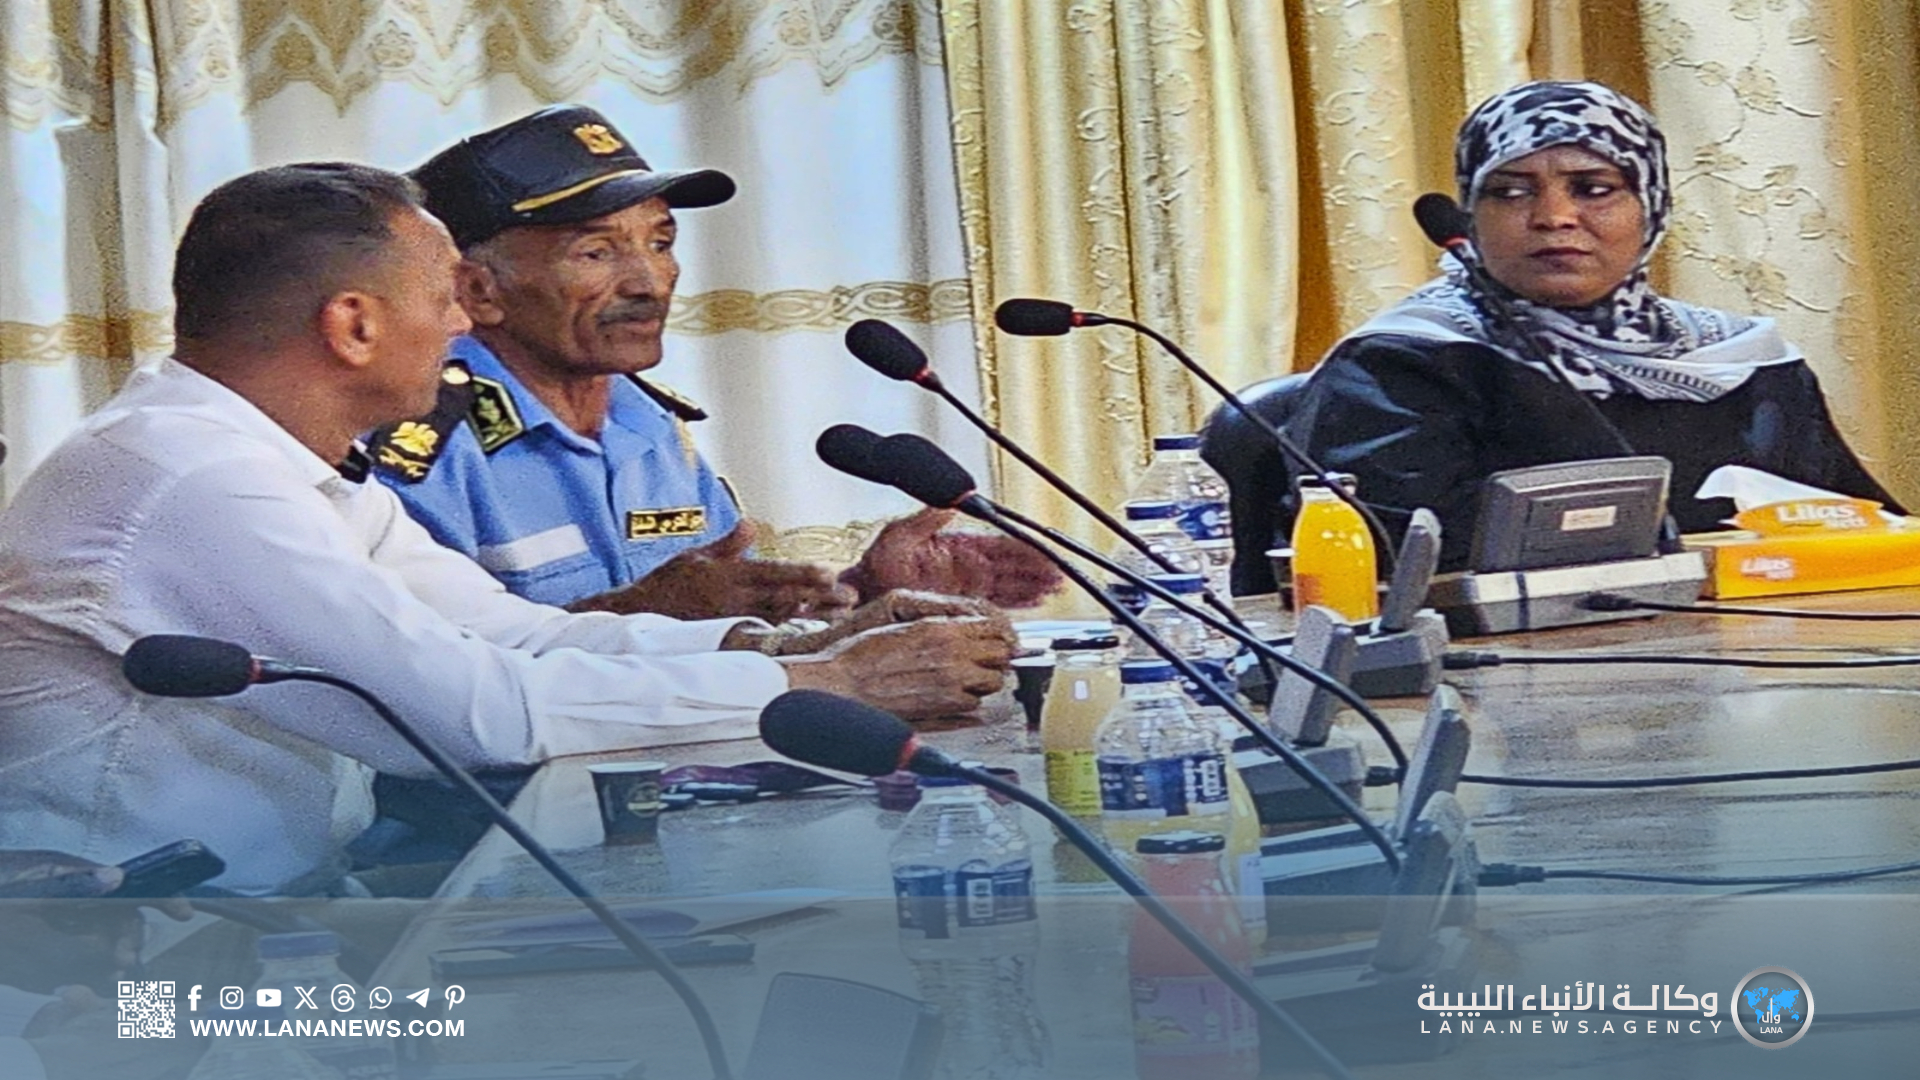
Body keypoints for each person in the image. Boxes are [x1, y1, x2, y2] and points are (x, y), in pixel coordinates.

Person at [0, 163, 1015, 894]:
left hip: (277, 907)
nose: (461, 325)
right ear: (353, 325)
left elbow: (516, 634)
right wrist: (826, 688)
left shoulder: (269, 460)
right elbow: (470, 713)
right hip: (140, 961)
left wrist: (790, 647)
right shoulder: (192, 477)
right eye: (443, 296)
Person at [366, 104, 1060, 621]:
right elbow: (423, 681)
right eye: (596, 252)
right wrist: (636, 614)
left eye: (661, 242)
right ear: (477, 291)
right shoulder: (416, 445)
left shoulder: (650, 425)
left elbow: (733, 628)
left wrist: (867, 590)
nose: (650, 281)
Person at [1284, 80, 1901, 570]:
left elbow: (1861, 528)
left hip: (1773, 653)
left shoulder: (1747, 361)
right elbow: (1390, 554)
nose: (1554, 216)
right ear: (1470, 214)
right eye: (1511, 192)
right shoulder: (1404, 364)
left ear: (1650, 206)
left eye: (1593, 188)